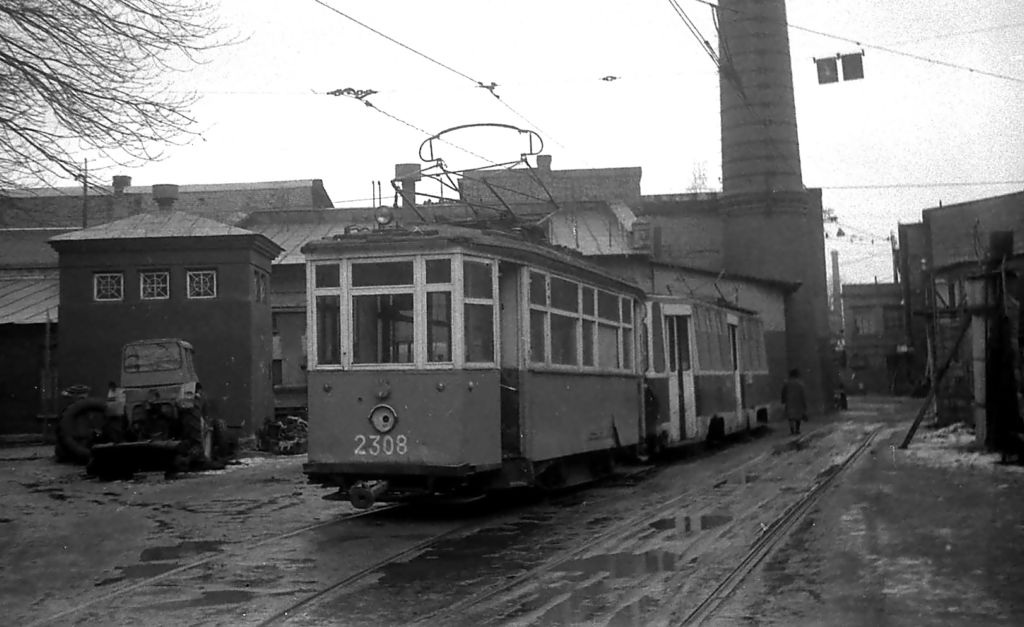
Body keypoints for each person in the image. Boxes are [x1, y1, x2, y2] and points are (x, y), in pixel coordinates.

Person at [781, 368, 808, 435]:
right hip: (798, 402)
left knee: (790, 417)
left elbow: (783, 392)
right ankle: (797, 429)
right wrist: (804, 404)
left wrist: (783, 400)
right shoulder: (800, 384)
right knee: (798, 417)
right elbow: (802, 395)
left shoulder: (786, 383)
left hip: (789, 401)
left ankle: (792, 430)